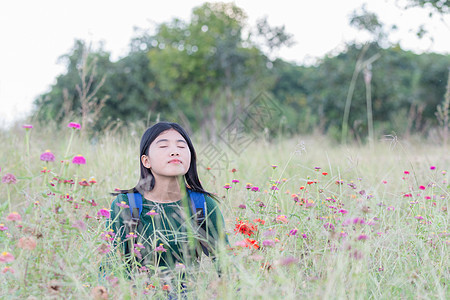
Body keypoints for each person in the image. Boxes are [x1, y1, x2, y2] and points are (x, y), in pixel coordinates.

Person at [106, 122, 228, 289]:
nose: (174, 151)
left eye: (181, 146)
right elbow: (110, 264)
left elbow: (227, 266)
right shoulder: (126, 204)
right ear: (146, 161)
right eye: (163, 146)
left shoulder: (203, 204)